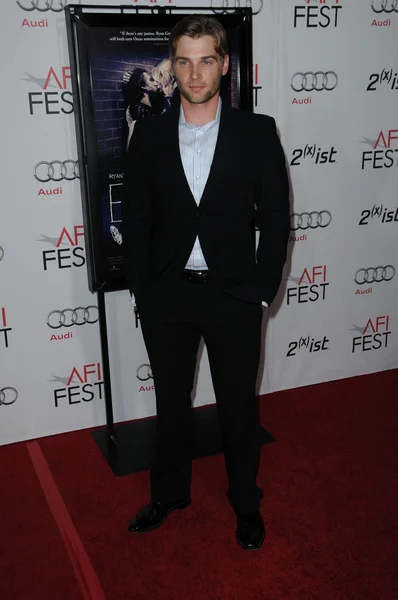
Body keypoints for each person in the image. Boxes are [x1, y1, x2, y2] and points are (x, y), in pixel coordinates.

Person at [122, 14, 290, 550]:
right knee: (170, 403)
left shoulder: (256, 131)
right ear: (173, 67)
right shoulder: (146, 134)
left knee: (238, 407)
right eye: (184, 61)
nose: (195, 74)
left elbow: (278, 216)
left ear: (224, 64)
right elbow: (138, 219)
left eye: (206, 60)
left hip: (234, 295)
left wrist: (262, 288)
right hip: (168, 295)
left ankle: (246, 502)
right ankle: (169, 494)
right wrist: (145, 291)